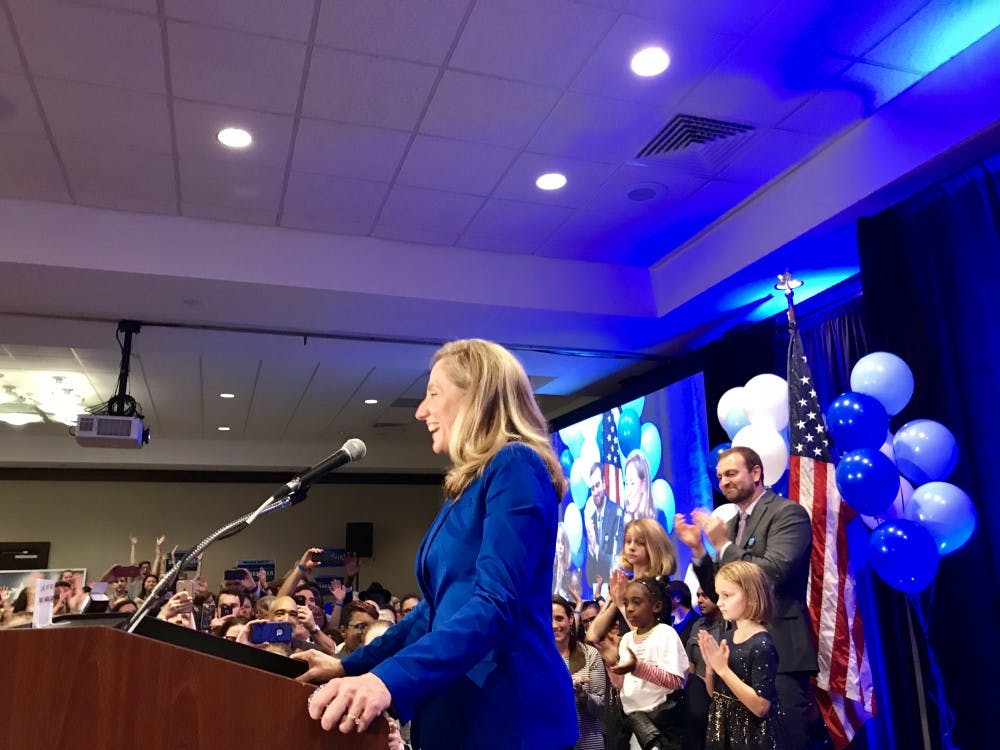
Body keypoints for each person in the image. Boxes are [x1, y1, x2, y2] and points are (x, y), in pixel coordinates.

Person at [297, 338, 578, 749]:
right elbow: (433, 611)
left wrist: (386, 681)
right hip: (458, 715)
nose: (420, 411)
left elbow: (494, 603)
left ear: (476, 397)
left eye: (432, 393)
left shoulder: (516, 465)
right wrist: (348, 667)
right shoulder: (465, 489)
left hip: (509, 720)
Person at [675, 446, 817, 750]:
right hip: (738, 655)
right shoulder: (732, 526)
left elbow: (772, 573)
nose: (724, 481)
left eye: (731, 473)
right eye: (720, 476)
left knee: (787, 741)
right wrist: (699, 551)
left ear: (756, 473)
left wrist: (724, 545)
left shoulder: (787, 513)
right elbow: (721, 595)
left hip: (780, 649)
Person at [699, 562, 785, 750]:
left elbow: (761, 707)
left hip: (751, 737)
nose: (719, 602)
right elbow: (716, 695)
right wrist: (710, 668)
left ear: (752, 597)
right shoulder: (727, 637)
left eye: (727, 595)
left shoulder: (761, 644)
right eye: (719, 595)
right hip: (723, 731)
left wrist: (723, 669)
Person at [600, 577, 690, 750]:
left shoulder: (665, 634)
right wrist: (611, 663)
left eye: (636, 602)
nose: (630, 609)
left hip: (661, 725)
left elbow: (676, 680)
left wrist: (637, 667)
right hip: (634, 723)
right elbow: (622, 686)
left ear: (656, 606)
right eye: (625, 603)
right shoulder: (627, 639)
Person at [553, 595, 606, 750]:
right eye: (549, 619)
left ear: (570, 619)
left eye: (559, 618)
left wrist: (582, 695)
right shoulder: (537, 659)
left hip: (587, 743)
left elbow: (600, 708)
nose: (554, 625)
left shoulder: (590, 654)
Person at [686, 588, 726, 750]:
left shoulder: (728, 626)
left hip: (720, 698)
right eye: (698, 596)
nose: (700, 600)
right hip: (699, 700)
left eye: (705, 595)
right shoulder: (697, 625)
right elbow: (691, 662)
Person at [586, 462, 625, 593]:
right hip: (597, 593)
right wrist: (591, 551)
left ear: (604, 483)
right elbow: (589, 576)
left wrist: (596, 549)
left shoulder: (617, 513)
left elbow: (616, 562)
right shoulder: (591, 520)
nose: (595, 492)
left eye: (597, 485)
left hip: (615, 590)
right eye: (592, 488)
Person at [623, 450, 656, 524]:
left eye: (632, 483)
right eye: (626, 484)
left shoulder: (658, 518)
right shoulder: (622, 524)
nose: (628, 492)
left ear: (643, 485)